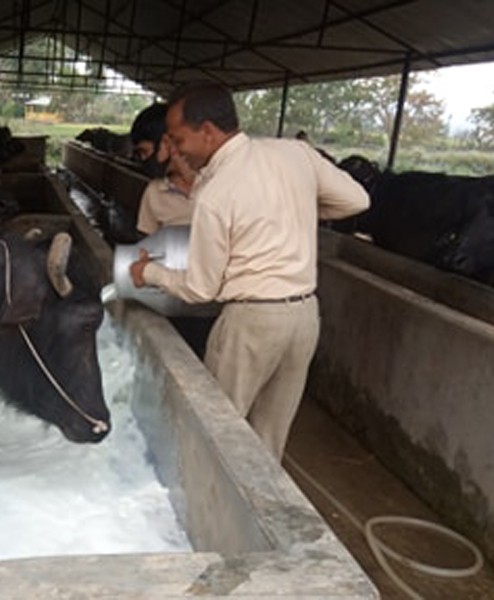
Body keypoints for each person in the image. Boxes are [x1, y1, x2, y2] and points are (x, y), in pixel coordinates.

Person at [129, 82, 369, 460]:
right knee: (269, 439)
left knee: (216, 430)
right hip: (304, 316)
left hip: (252, 321)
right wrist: (296, 209)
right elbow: (357, 199)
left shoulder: (216, 192)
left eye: (178, 139)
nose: (174, 150)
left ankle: (204, 513)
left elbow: (200, 288)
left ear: (207, 131)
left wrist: (150, 274)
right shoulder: (294, 154)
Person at [129, 103, 196, 236]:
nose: (144, 160)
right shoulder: (154, 193)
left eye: (145, 152)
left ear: (166, 143)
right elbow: (147, 247)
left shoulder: (217, 181)